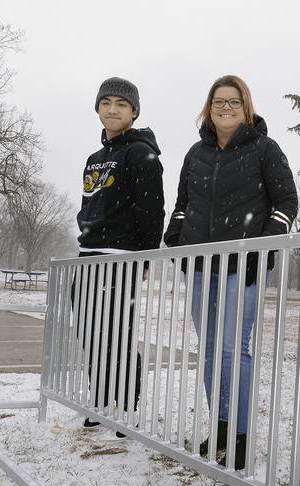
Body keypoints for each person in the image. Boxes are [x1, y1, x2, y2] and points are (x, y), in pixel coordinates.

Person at [163, 75, 297, 470]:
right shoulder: (196, 153)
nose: (225, 108)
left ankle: (240, 433)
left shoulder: (265, 149)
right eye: (219, 102)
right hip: (203, 269)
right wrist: (177, 234)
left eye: (233, 102)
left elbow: (286, 201)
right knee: (207, 349)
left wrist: (261, 248)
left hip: (244, 267)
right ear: (208, 107)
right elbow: (184, 203)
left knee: (231, 348)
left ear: (246, 106)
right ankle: (219, 426)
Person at [75, 76, 165, 437]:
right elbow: (88, 205)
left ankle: (129, 404)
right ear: (98, 108)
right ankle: (101, 398)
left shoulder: (141, 153)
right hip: (87, 255)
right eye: (106, 103)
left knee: (117, 332)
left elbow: (151, 211)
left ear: (134, 112)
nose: (113, 110)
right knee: (90, 330)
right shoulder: (94, 159)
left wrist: (142, 259)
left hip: (121, 257)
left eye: (121, 105)